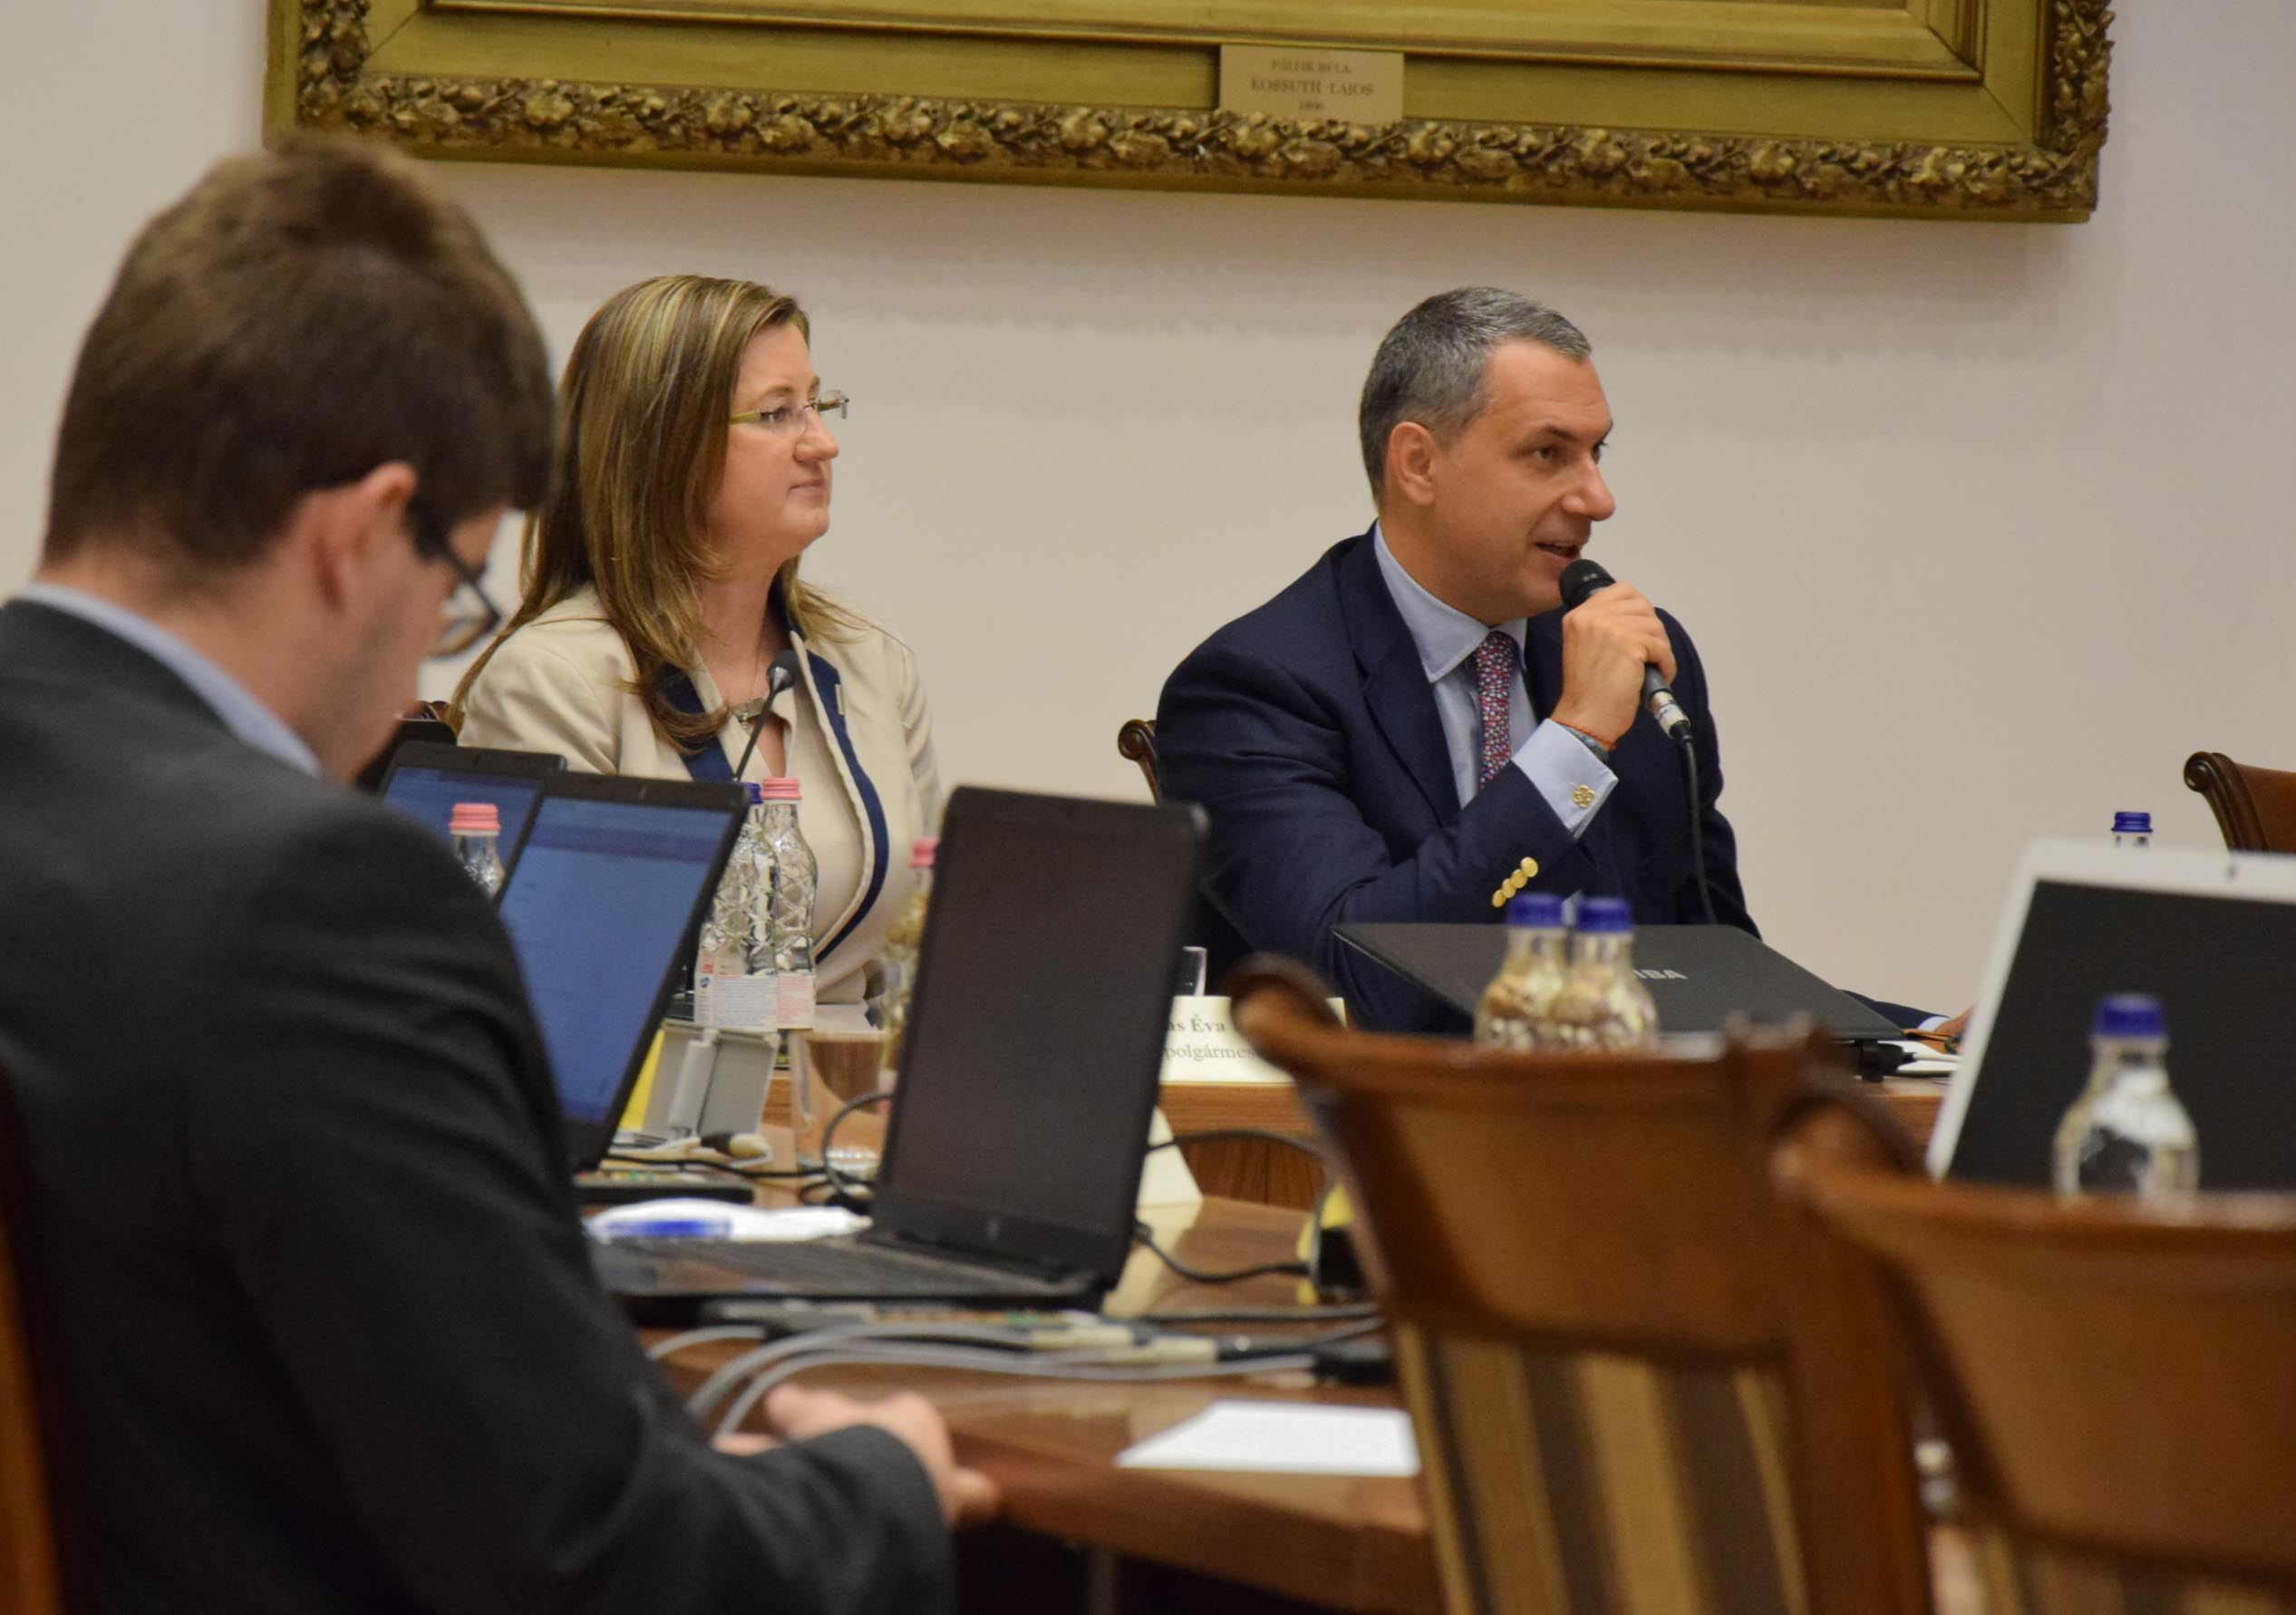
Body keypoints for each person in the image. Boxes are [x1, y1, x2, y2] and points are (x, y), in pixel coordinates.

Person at [0, 140, 984, 1614]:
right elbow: (593, 1553)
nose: (439, 648)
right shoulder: (311, 902)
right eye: (456, 591)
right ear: (356, 536)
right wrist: (884, 1475)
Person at [1158, 287, 1917, 1033]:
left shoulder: (1641, 655)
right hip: (1379, 1112)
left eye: (1596, 453)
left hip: (1619, 1104)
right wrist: (1573, 743)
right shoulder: (1255, 687)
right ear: (1418, 464)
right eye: (1547, 454)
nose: (1598, 498)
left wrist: (1921, 1035)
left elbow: (1715, 972)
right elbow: (1357, 984)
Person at [453, 276, 937, 1006]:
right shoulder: (552, 680)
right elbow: (552, 985)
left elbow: (916, 946)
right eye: (777, 414)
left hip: (847, 1076)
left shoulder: (872, 661)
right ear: (664, 448)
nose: (823, 442)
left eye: (818, 404)